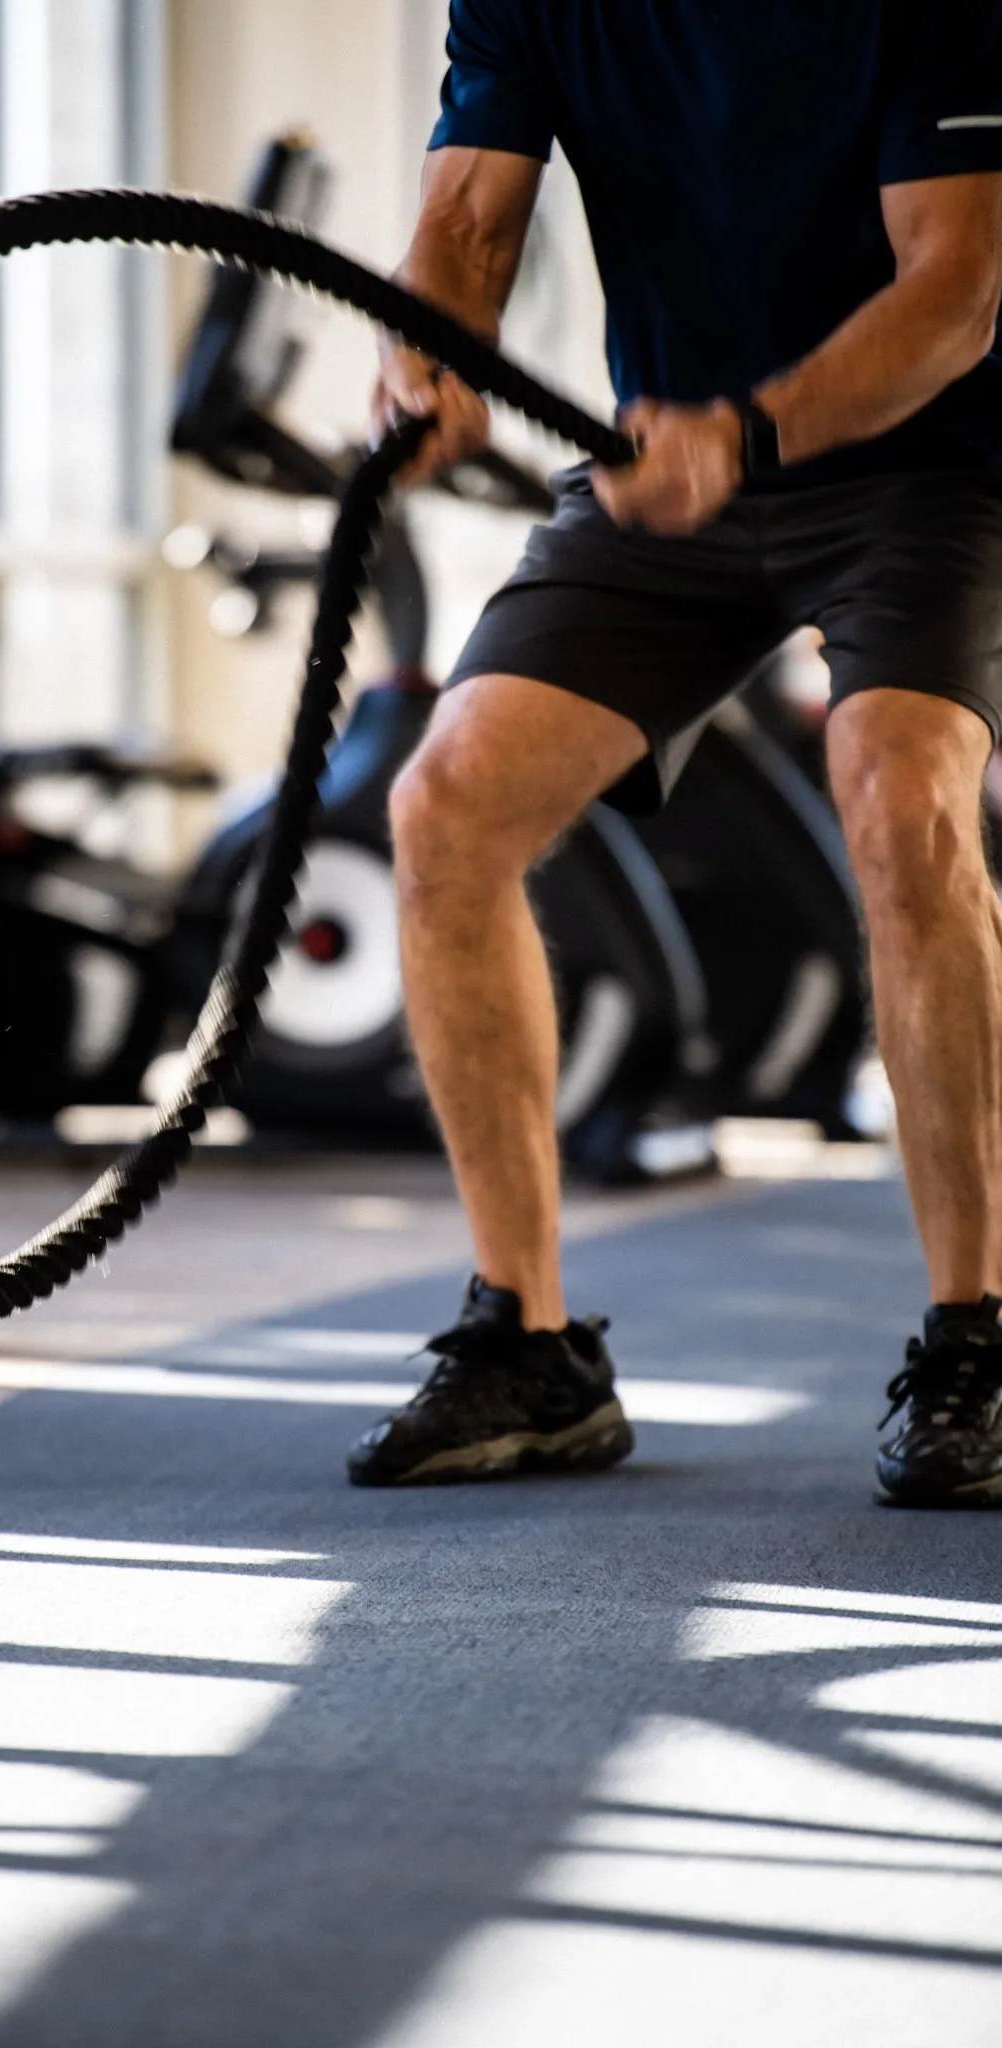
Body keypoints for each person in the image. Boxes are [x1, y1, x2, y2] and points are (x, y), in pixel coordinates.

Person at [346, 0, 1002, 1505]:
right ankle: (533, 1344)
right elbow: (466, 218)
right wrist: (429, 356)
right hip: (665, 475)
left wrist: (751, 435)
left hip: (926, 467)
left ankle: (982, 1338)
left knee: (904, 799)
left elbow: (957, 290)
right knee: (447, 802)